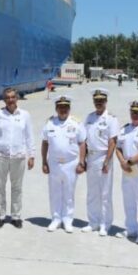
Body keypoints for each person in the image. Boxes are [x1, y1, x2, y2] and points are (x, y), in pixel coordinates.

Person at [0, 87, 35, 229]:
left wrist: (31, 155)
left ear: (17, 98)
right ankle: (0, 216)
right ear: (4, 100)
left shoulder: (25, 115)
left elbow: (29, 136)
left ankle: (16, 216)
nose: (10, 100)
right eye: (7, 98)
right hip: (0, 156)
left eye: (13, 97)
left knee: (17, 187)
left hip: (18, 156)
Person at [42, 95, 86, 233]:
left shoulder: (76, 123)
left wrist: (81, 162)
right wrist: (44, 162)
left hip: (71, 163)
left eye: (65, 107)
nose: (63, 110)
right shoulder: (50, 123)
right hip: (54, 163)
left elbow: (82, 143)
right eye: (60, 107)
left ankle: (67, 219)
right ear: (56, 108)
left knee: (69, 193)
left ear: (69, 108)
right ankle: (56, 219)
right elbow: (45, 143)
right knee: (54, 192)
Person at [82, 88, 120, 236]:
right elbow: (84, 140)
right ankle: (93, 222)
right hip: (91, 157)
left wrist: (107, 161)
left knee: (105, 193)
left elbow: (113, 141)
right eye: (96, 100)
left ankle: (105, 224)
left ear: (106, 101)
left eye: (101, 101)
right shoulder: (89, 117)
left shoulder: (111, 119)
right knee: (92, 192)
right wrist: (83, 159)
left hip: (104, 156)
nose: (98, 103)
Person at [114, 101, 138, 242]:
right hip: (127, 171)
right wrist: (122, 162)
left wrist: (128, 162)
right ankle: (131, 229)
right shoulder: (125, 129)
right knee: (128, 201)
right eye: (133, 112)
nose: (134, 115)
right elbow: (118, 147)